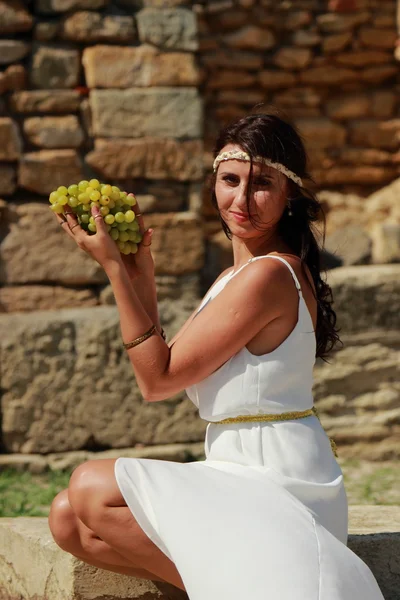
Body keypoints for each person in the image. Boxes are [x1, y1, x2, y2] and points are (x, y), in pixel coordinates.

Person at [49, 113, 384, 599]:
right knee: (67, 521)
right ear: (214, 184)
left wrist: (113, 273)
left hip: (279, 476)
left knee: (89, 485)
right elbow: (165, 360)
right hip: (232, 466)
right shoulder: (232, 279)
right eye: (230, 180)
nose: (242, 200)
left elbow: (156, 382)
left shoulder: (268, 275)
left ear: (291, 195)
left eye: (262, 184)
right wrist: (140, 273)